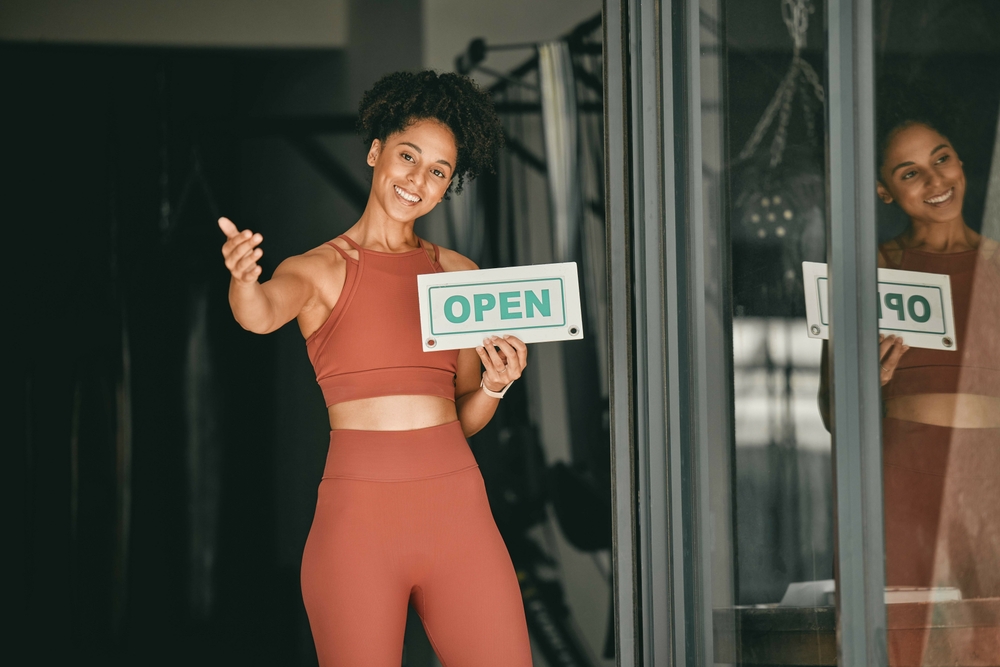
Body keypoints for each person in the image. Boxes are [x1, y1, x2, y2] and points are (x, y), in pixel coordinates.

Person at [219, 71, 533, 666]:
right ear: (375, 151)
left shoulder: (460, 275)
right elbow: (258, 315)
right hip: (357, 532)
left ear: (447, 186)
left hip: (461, 521)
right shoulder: (317, 270)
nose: (417, 179)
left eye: (437, 171)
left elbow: (461, 417)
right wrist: (243, 280)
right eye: (407, 156)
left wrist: (495, 386)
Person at [820, 114, 1000, 598]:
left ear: (960, 161)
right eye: (910, 172)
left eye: (941, 159)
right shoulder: (866, 272)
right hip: (903, 473)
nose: (935, 180)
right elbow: (834, 415)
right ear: (883, 190)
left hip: (993, 475)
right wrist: (865, 383)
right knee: (900, 624)